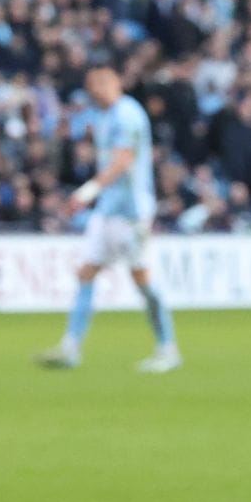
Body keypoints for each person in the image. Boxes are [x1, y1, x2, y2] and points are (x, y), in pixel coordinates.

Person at [36, 67, 180, 373]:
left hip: (132, 213)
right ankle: (71, 348)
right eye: (91, 86)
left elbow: (122, 162)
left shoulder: (126, 114)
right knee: (86, 272)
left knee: (142, 279)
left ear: (114, 84)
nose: (95, 91)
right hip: (108, 210)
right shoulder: (102, 115)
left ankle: (168, 348)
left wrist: (85, 193)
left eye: (100, 84)